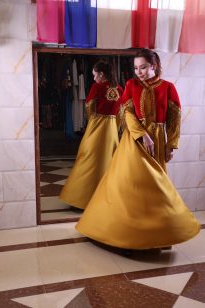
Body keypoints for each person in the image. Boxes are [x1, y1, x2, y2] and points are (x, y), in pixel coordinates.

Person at [76, 48, 200, 250]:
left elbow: (174, 119)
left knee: (156, 189)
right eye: (136, 68)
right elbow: (127, 112)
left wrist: (171, 145)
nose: (139, 72)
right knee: (128, 184)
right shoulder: (131, 85)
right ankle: (125, 233)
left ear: (154, 66)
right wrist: (142, 135)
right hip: (134, 140)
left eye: (143, 67)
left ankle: (159, 236)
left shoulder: (168, 87)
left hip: (158, 140)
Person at [59, 60, 123, 209]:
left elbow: (90, 108)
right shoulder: (119, 89)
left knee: (88, 159)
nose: (94, 78)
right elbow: (121, 113)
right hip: (112, 129)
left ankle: (80, 199)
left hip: (98, 128)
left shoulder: (97, 87)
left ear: (101, 74)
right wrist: (115, 128)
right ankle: (106, 199)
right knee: (108, 162)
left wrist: (90, 128)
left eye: (95, 75)